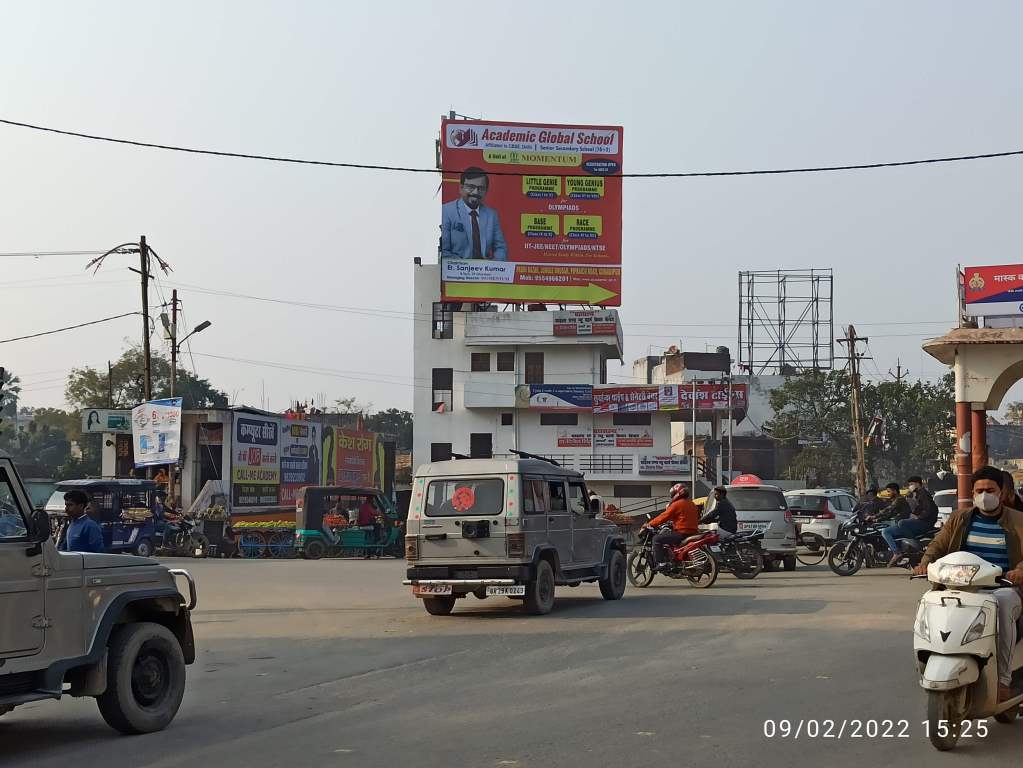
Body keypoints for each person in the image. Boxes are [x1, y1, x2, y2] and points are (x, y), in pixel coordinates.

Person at [913, 466, 1023, 702]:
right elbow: (937, 545)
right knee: (930, 602)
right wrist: (925, 563)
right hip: (961, 587)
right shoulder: (959, 519)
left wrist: (1019, 571)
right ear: (973, 493)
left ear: (1002, 491)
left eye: (990, 490)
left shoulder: (1019, 521)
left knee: (1002, 607)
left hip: (1003, 588)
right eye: (979, 490)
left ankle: (1003, 681)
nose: (985, 495)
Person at [440, 167, 508, 261]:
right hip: (458, 272)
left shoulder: (491, 215)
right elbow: (444, 251)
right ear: (461, 188)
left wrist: (492, 267)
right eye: (471, 187)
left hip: (486, 272)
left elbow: (501, 249)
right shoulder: (446, 211)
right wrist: (467, 269)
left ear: (486, 191)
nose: (475, 192)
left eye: (481, 188)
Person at [882, 475, 938, 566]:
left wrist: (918, 517)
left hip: (925, 523)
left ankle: (913, 546)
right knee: (885, 531)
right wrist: (914, 514)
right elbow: (919, 508)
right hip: (917, 521)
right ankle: (896, 551)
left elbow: (930, 510)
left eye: (911, 484)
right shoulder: (918, 494)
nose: (910, 486)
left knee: (902, 523)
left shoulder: (923, 494)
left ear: (917, 484)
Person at [643, 484, 700, 571]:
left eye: (673, 494)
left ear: (677, 493)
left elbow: (663, 517)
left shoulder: (677, 504)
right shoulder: (692, 504)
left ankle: (662, 563)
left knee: (657, 539)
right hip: (693, 532)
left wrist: (650, 524)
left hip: (681, 533)